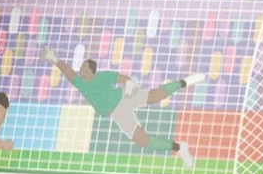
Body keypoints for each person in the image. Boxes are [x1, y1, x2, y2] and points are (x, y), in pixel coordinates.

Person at [51, 53, 195, 165]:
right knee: (142, 140)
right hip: (117, 114)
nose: (80, 69)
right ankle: (179, 147)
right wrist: (55, 60)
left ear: (90, 70)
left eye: (83, 67)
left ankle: (183, 83)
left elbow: (121, 78)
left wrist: (129, 83)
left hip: (125, 97)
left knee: (156, 96)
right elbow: (68, 72)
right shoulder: (81, 84)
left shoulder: (102, 76)